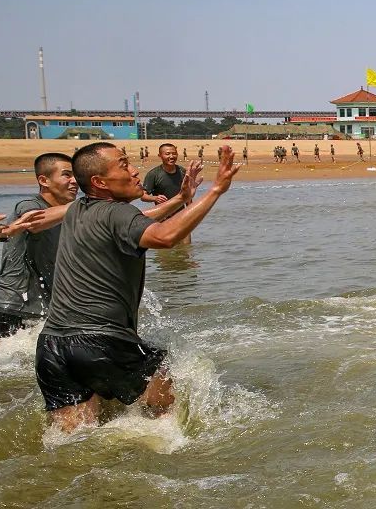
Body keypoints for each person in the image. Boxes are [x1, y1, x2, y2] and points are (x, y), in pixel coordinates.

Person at [34, 143, 237, 432]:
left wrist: (182, 198)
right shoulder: (117, 212)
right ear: (100, 182)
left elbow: (140, 222)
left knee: (73, 440)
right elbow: (165, 236)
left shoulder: (79, 209)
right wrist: (216, 191)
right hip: (101, 341)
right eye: (124, 164)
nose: (134, 170)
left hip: (52, 347)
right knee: (166, 407)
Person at [0, 154, 77, 339]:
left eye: (76, 176)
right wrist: (88, 204)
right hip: (11, 306)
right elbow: (33, 217)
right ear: (44, 180)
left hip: (42, 311)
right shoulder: (30, 204)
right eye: (67, 175)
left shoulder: (66, 216)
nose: (74, 181)